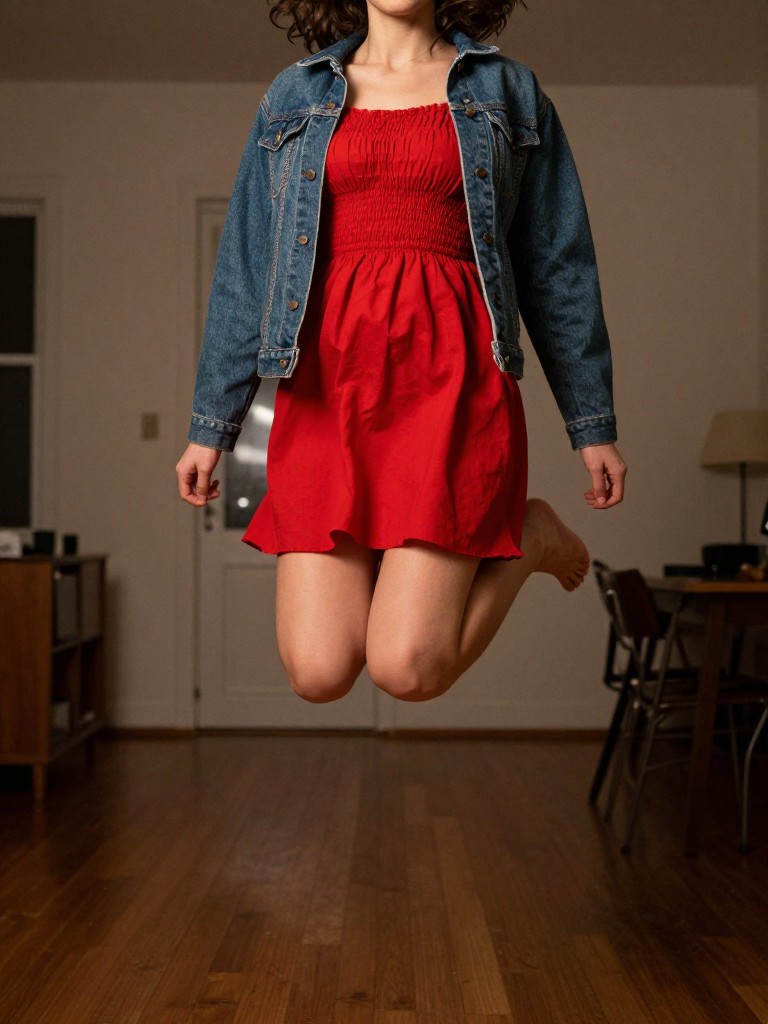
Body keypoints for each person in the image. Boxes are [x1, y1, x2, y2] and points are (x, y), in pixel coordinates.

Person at [175, 0, 627, 705]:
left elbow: (555, 265)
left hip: (451, 383)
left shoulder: (507, 91)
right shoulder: (294, 94)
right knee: (318, 671)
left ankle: (533, 538)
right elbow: (248, 265)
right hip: (328, 388)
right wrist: (213, 425)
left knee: (408, 668)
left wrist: (590, 422)